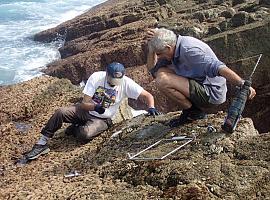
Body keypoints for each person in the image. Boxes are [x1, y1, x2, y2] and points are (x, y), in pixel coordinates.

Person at [24, 62, 160, 160]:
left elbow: (148, 95)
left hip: (102, 119)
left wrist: (151, 107)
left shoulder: (126, 83)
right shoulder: (96, 77)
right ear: (107, 74)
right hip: (86, 110)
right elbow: (84, 103)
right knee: (60, 112)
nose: (114, 83)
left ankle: (76, 127)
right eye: (112, 80)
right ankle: (42, 143)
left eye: (117, 81)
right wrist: (95, 107)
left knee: (84, 134)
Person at [145, 28, 256, 127]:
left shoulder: (189, 51)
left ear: (168, 48)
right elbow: (152, 68)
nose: (158, 57)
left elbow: (219, 67)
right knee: (160, 72)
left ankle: (194, 113)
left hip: (211, 93)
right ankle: (191, 111)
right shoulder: (174, 46)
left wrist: (242, 83)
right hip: (198, 82)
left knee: (162, 80)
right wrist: (151, 49)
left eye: (159, 54)